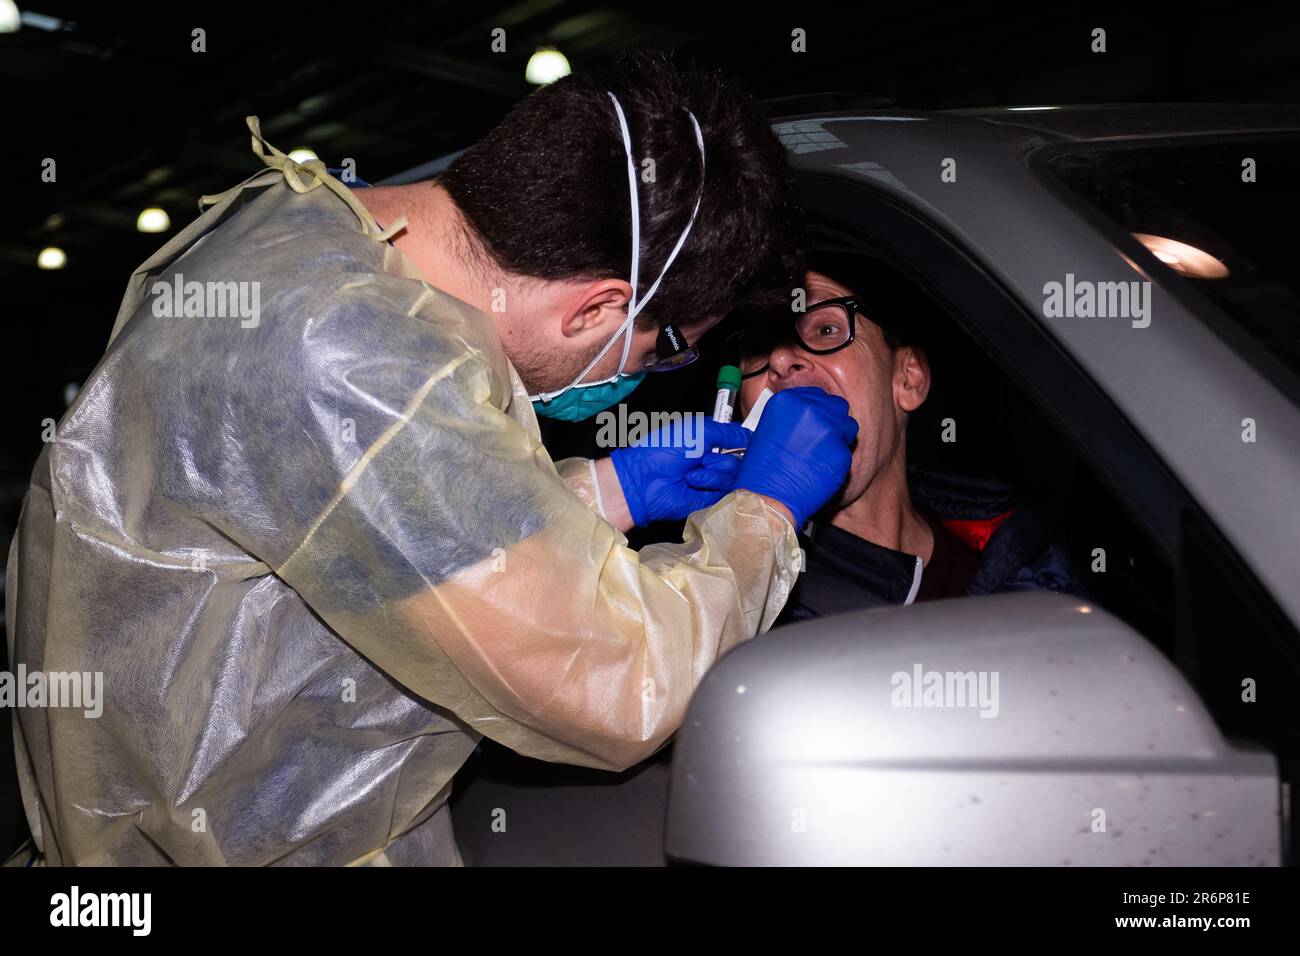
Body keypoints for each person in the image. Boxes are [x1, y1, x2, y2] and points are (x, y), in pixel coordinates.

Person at [4, 52, 857, 866]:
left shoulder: (301, 230)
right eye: (664, 348)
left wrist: (605, 488)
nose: (643, 379)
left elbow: (353, 523)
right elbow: (623, 685)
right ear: (598, 306)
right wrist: (768, 510)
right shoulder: (360, 362)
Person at [733, 262, 1077, 623]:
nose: (780, 358)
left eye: (826, 329)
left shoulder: (1033, 556)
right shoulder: (734, 600)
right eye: (758, 345)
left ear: (908, 380)